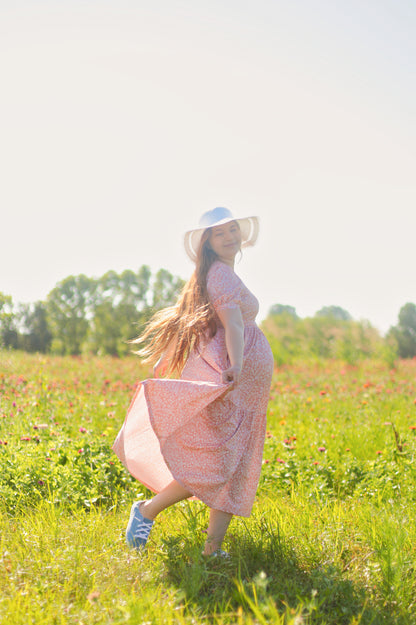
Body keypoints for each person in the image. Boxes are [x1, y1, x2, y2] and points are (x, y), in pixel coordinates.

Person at [112, 206, 274, 557]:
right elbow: (232, 324)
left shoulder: (218, 274)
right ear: (208, 242)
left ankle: (212, 550)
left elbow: (210, 323)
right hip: (237, 381)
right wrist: (239, 364)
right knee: (216, 463)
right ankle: (147, 510)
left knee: (231, 465)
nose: (230, 236)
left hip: (248, 392)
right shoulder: (221, 275)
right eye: (220, 233)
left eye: (233, 229)